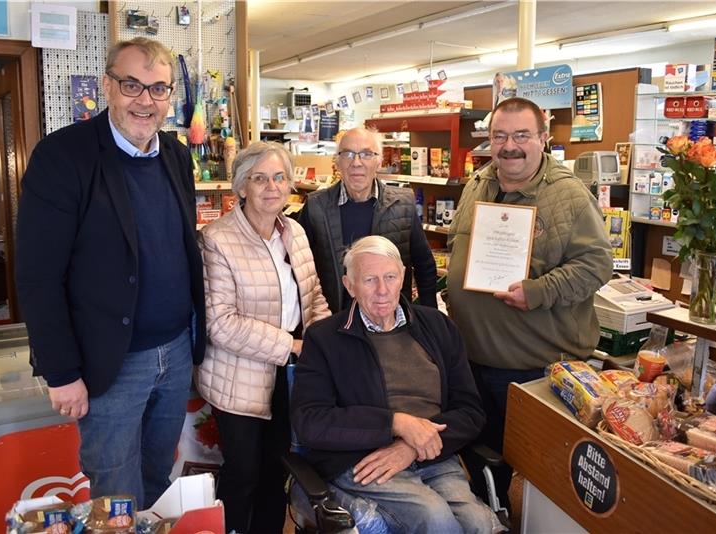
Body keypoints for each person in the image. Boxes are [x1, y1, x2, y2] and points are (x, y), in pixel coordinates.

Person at [15, 37, 206, 506]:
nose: (146, 100)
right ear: (107, 86)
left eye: (159, 89)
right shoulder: (63, 157)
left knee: (157, 477)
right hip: (111, 362)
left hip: (176, 352)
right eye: (131, 85)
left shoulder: (177, 156)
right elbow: (39, 276)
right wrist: (60, 372)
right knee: (115, 493)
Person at [446, 97, 613, 512]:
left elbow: (596, 267)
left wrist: (536, 292)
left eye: (522, 135)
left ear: (543, 138)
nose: (510, 146)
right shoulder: (479, 182)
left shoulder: (569, 197)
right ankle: (492, 518)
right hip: (471, 358)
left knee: (531, 474)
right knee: (483, 460)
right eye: (500, 136)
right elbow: (458, 245)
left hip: (529, 367)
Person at [291, 236, 501, 534]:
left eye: (390, 277)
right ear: (349, 285)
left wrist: (411, 447)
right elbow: (310, 421)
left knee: (479, 524)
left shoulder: (439, 327)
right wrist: (395, 423)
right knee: (436, 520)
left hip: (432, 453)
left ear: (402, 276)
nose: (382, 290)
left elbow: (470, 411)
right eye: (369, 280)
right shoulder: (325, 339)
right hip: (366, 459)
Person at [196, 141, 330, 533]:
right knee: (243, 474)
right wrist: (291, 345)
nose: (272, 187)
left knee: (278, 471)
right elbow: (220, 323)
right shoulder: (217, 239)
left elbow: (314, 295)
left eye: (279, 177)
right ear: (241, 187)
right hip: (238, 378)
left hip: (290, 373)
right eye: (259, 179)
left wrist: (321, 340)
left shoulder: (296, 233)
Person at [299, 127, 437, 313]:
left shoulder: (403, 204)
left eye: (366, 154)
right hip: (334, 320)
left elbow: (424, 265)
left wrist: (428, 319)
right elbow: (300, 271)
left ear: (378, 162)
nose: (357, 162)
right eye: (348, 154)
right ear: (337, 162)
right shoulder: (316, 207)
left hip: (390, 320)